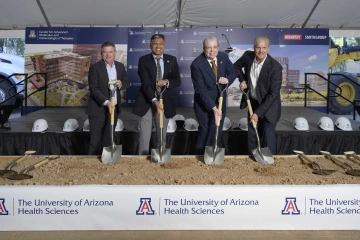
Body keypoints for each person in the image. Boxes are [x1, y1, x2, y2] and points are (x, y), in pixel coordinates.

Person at [132, 34, 181, 155]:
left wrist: (167, 81)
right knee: (144, 138)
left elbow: (177, 80)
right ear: (150, 45)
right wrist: (154, 100)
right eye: (155, 44)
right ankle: (142, 162)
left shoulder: (172, 59)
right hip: (147, 102)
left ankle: (160, 160)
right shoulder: (143, 60)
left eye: (160, 44)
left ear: (164, 45)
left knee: (161, 136)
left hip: (165, 102)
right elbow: (146, 84)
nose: (158, 46)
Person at [234, 36, 282, 155]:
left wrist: (257, 113)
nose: (261, 51)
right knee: (252, 133)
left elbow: (273, 94)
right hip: (253, 102)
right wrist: (242, 79)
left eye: (264, 48)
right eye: (258, 47)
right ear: (254, 48)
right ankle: (252, 159)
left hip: (269, 106)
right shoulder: (248, 56)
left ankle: (270, 163)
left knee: (267, 135)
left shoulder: (275, 67)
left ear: (268, 48)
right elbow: (236, 66)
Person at [191, 36, 236, 155]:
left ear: (218, 47)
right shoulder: (196, 64)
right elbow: (201, 90)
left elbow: (233, 72)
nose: (212, 50)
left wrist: (227, 80)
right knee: (205, 130)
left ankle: (214, 156)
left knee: (217, 129)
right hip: (204, 104)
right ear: (203, 48)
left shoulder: (223, 57)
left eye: (215, 47)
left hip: (220, 101)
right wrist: (214, 108)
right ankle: (199, 156)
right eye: (208, 48)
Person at [86, 41, 130, 155]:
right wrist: (107, 102)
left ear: (115, 52)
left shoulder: (120, 66)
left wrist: (120, 84)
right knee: (95, 140)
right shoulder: (95, 68)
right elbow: (94, 89)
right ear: (101, 53)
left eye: (110, 52)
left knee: (108, 138)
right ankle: (90, 165)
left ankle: (106, 163)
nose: (108, 55)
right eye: (105, 52)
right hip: (97, 109)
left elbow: (126, 82)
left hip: (113, 109)